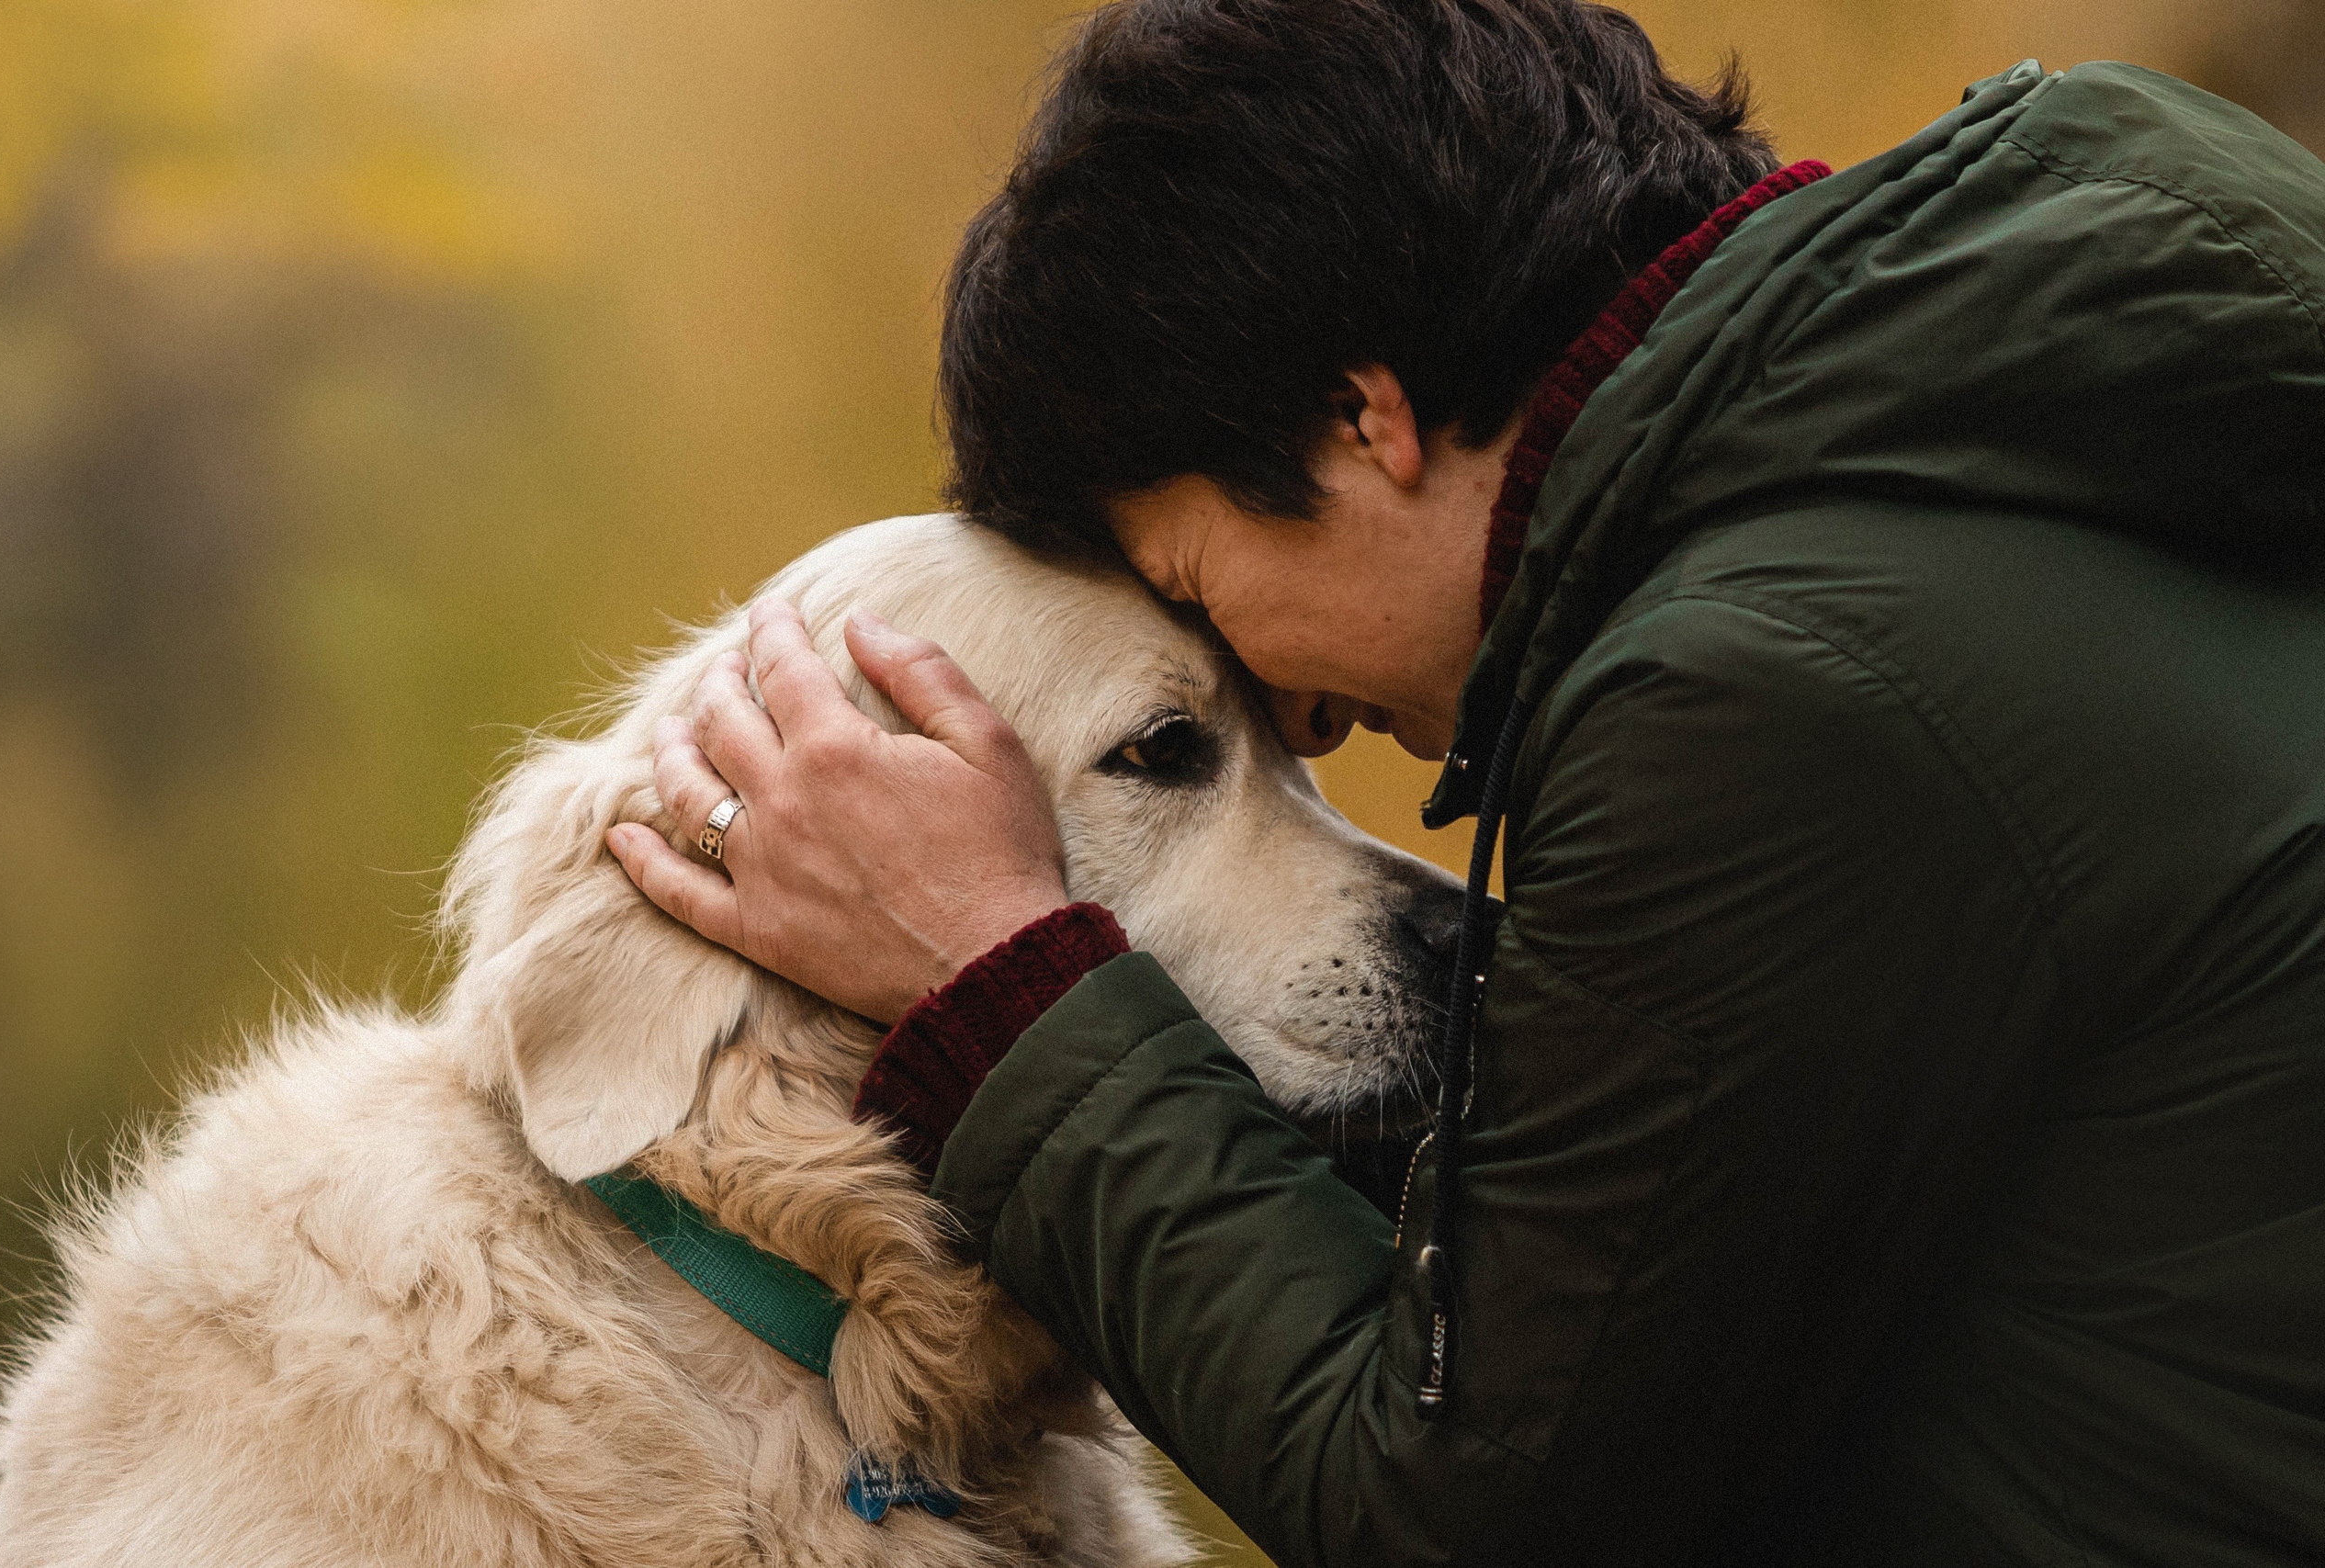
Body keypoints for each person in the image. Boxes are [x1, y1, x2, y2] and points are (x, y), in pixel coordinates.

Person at [604, 2, 2325, 1562]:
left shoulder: (1765, 692)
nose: (1300, 704)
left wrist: (999, 978)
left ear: (1365, 422)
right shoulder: (2009, 477)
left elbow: (1461, 1515)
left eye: (1202, 588)